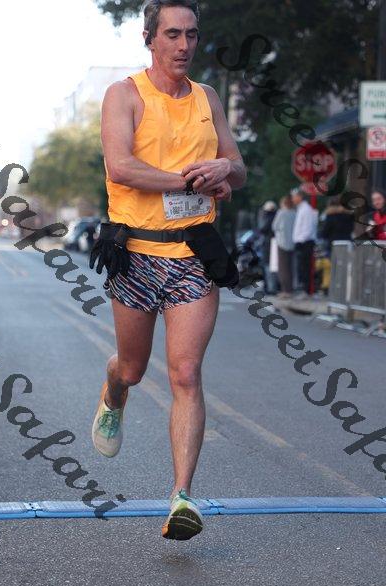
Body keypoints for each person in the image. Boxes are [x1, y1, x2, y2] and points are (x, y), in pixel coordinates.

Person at [90, 0, 247, 541]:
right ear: (150, 38)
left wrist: (225, 167)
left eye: (192, 35)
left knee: (186, 374)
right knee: (134, 369)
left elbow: (238, 168)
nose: (184, 45)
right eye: (173, 34)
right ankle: (114, 390)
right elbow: (121, 166)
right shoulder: (125, 95)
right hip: (135, 253)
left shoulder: (208, 98)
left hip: (194, 255)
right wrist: (190, 180)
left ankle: (182, 497)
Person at [291, 187, 318, 297]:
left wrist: (301, 239)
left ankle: (306, 290)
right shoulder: (301, 209)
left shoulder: (306, 209)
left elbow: (307, 227)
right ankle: (304, 289)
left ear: (300, 197)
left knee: (305, 267)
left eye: (294, 197)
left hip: (305, 242)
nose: (292, 199)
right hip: (301, 241)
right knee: (301, 267)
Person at [271, 194, 295, 298]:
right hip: (292, 243)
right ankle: (290, 289)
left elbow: (274, 226)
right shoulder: (294, 213)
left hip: (282, 242)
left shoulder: (281, 213)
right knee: (290, 267)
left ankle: (285, 290)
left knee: (282, 267)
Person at [258, 200, 278, 295]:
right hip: (273, 243)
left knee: (267, 266)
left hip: (268, 244)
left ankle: (269, 287)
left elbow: (262, 228)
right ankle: (271, 286)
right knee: (272, 266)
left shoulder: (268, 218)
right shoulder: (276, 216)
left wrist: (261, 216)